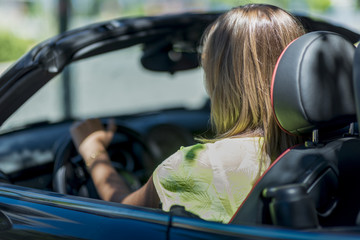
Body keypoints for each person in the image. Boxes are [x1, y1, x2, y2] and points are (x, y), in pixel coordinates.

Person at [70, 4, 306, 223]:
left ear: (222, 82)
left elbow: (122, 213)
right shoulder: (328, 148)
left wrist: (93, 151)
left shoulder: (193, 167)